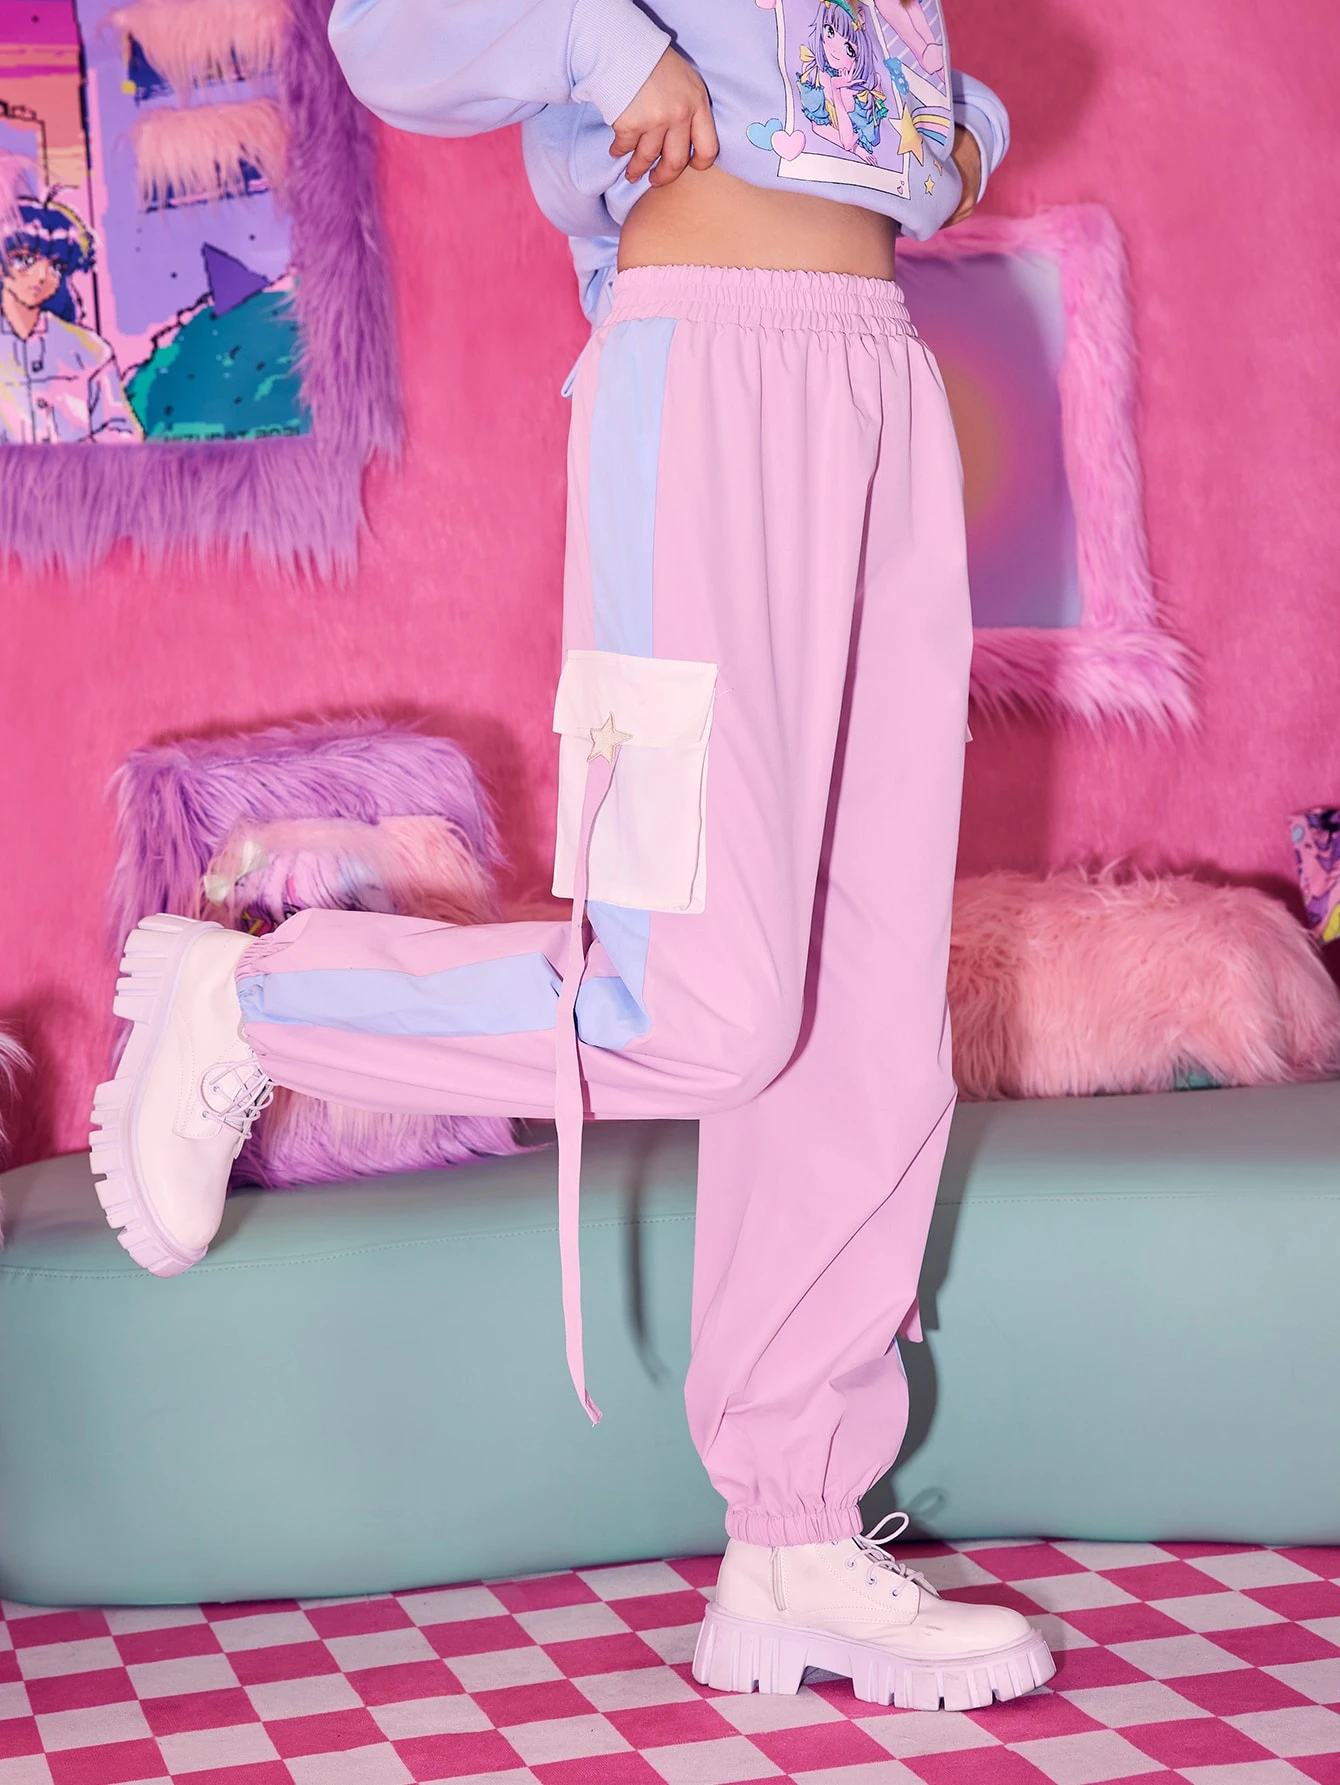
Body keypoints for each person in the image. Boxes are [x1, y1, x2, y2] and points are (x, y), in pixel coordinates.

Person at [89, 0, 1054, 1711]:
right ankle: (253, 1002)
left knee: (869, 1017)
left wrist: (951, 126)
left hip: (882, 380)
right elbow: (391, 31)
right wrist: (611, 58)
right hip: (706, 385)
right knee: (697, 1003)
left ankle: (794, 1539)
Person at [0, 196, 143, 444]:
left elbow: (123, 434)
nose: (41, 276)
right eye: (24, 260)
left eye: (56, 266)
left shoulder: (90, 351)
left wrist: (77, 460)